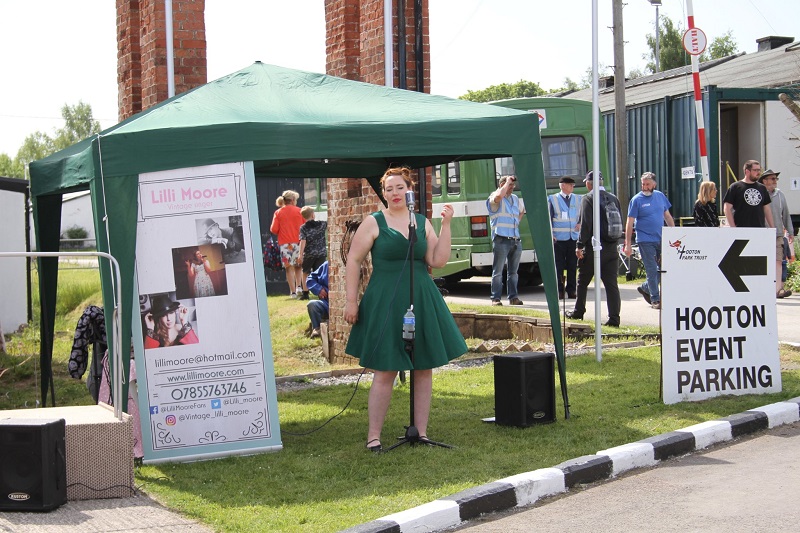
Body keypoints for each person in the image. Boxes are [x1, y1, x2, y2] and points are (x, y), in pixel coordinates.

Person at [344, 167, 466, 452]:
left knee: (424, 366)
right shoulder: (374, 222)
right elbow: (353, 260)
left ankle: (420, 432)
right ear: (384, 193)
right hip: (385, 299)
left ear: (409, 190)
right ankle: (374, 436)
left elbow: (437, 260)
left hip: (420, 297)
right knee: (386, 368)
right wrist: (351, 301)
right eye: (389, 189)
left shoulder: (420, 221)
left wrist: (446, 225)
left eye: (400, 188)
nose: (394, 193)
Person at [566, 171, 622, 327]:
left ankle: (578, 312)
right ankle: (614, 319)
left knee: (582, 281)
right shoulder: (613, 198)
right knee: (611, 285)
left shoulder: (588, 199)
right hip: (611, 248)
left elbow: (586, 225)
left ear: (589, 183)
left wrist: (579, 245)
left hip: (594, 248)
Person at [624, 172, 675, 310]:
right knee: (652, 269)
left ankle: (646, 287)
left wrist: (674, 233)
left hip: (660, 238)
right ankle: (655, 299)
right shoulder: (636, 200)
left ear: (654, 184)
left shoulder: (660, 196)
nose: (645, 187)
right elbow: (630, 222)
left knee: (663, 269)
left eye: (647, 184)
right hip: (645, 239)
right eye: (643, 184)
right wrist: (628, 243)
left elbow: (667, 216)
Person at [486, 174, 525, 306]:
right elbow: (498, 197)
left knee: (513, 272)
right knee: (497, 272)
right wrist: (507, 182)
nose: (512, 187)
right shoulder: (494, 196)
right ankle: (495, 298)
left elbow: (522, 211)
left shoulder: (515, 198)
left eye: (513, 185)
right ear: (502, 185)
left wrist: (516, 222)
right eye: (510, 185)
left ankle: (513, 297)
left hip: (515, 239)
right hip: (501, 239)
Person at [759, 169, 794, 298]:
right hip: (762, 233)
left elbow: (786, 214)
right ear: (765, 181)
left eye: (776, 179)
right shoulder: (760, 193)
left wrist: (790, 231)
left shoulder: (780, 195)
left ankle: (777, 290)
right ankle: (763, 288)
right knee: (763, 262)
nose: (775, 181)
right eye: (773, 179)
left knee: (778, 261)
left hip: (777, 233)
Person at [548, 176, 581, 299]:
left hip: (573, 238)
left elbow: (582, 214)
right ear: (562, 185)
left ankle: (571, 290)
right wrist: (551, 235)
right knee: (559, 266)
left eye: (573, 185)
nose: (573, 187)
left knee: (572, 266)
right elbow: (549, 218)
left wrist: (580, 223)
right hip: (559, 239)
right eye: (570, 184)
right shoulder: (553, 199)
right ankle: (559, 290)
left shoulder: (578, 199)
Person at [270, 190, 306, 298]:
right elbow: (305, 226)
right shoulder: (300, 211)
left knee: (288, 267)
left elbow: (273, 229)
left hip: (285, 244)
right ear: (293, 200)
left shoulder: (278, 212)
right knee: (298, 266)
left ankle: (293, 292)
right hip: (298, 242)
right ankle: (299, 286)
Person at [723, 160, 774, 229]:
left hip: (759, 229)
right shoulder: (735, 187)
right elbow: (727, 208)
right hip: (741, 228)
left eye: (759, 170)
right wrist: (733, 228)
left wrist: (772, 228)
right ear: (747, 171)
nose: (758, 172)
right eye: (755, 170)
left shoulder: (762, 188)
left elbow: (767, 209)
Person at [298, 206, 328, 301]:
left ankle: (305, 293)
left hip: (309, 254)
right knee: (320, 273)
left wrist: (300, 254)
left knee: (305, 272)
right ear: (312, 215)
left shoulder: (303, 228)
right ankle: (321, 292)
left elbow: (303, 241)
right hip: (321, 253)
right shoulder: (322, 224)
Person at [306, 261, 329, 338]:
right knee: (312, 304)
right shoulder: (326, 265)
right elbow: (310, 279)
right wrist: (318, 289)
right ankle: (317, 329)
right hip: (326, 303)